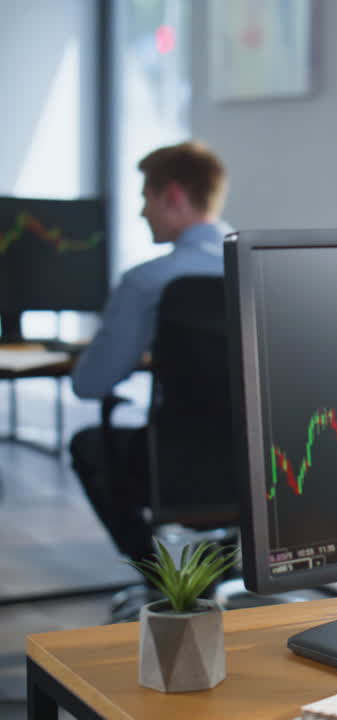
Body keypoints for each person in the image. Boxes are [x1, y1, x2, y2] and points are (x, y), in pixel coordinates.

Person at [69, 141, 231, 578]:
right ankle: (227, 568)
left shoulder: (148, 281)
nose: (142, 212)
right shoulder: (260, 269)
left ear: (173, 196)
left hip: (178, 469)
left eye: (146, 196)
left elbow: (90, 384)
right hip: (269, 467)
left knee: (87, 445)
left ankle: (164, 582)